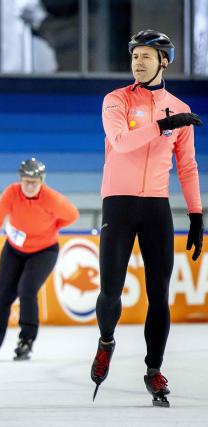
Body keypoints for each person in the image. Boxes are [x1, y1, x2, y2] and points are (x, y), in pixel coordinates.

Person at [91, 29, 203, 407]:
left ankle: (153, 370)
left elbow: (187, 168)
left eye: (146, 56)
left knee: (159, 296)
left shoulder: (179, 105)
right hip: (119, 204)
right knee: (110, 290)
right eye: (134, 55)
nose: (138, 62)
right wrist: (162, 126)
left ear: (164, 61)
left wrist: (196, 215)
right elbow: (120, 141)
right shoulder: (115, 100)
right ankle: (106, 341)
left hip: (156, 207)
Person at [0, 159, 78, 362]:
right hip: (14, 249)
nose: (29, 186)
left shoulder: (52, 198)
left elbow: (72, 215)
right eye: (26, 181)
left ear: (41, 181)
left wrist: (53, 227)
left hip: (44, 251)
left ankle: (26, 340)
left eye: (34, 182)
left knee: (27, 290)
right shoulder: (11, 192)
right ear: (20, 180)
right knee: (4, 295)